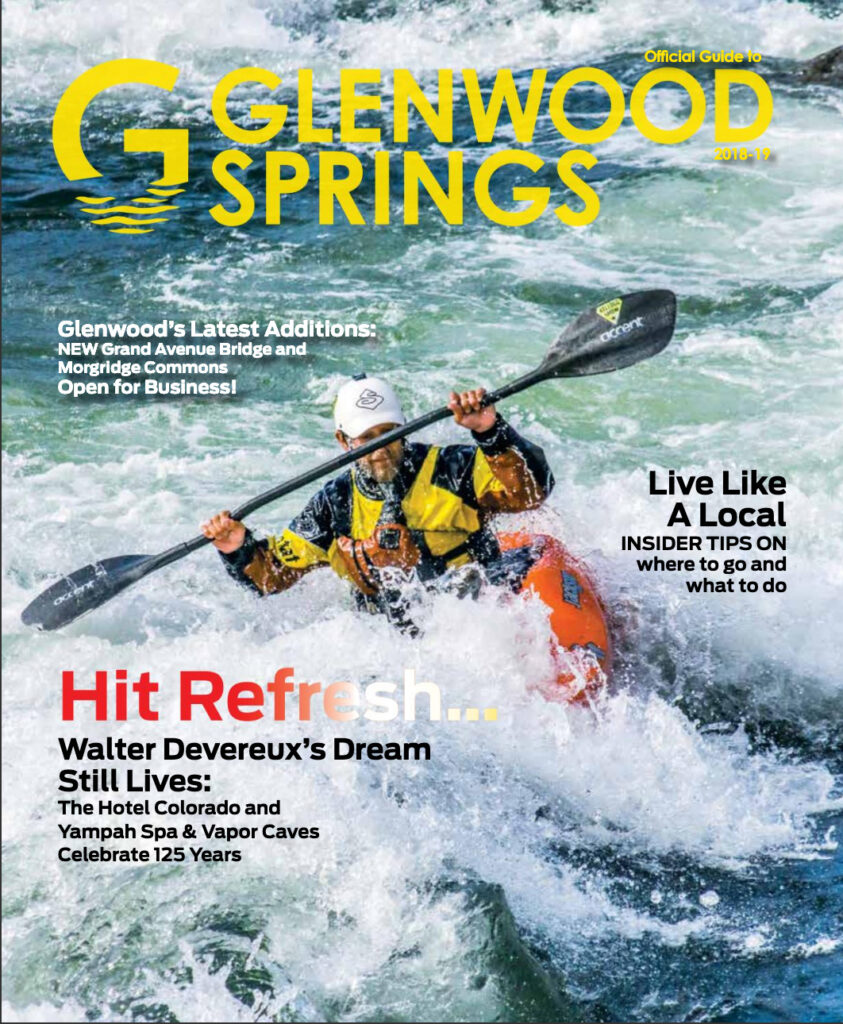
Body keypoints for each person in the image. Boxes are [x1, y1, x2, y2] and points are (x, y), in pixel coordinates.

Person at [202, 374, 554, 630]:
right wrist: (237, 548)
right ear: (344, 441)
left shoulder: (451, 468)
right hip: (388, 631)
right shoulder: (334, 504)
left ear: (404, 428)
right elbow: (270, 577)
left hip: (474, 610)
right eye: (367, 438)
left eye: (389, 433)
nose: (380, 448)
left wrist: (489, 432)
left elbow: (533, 492)